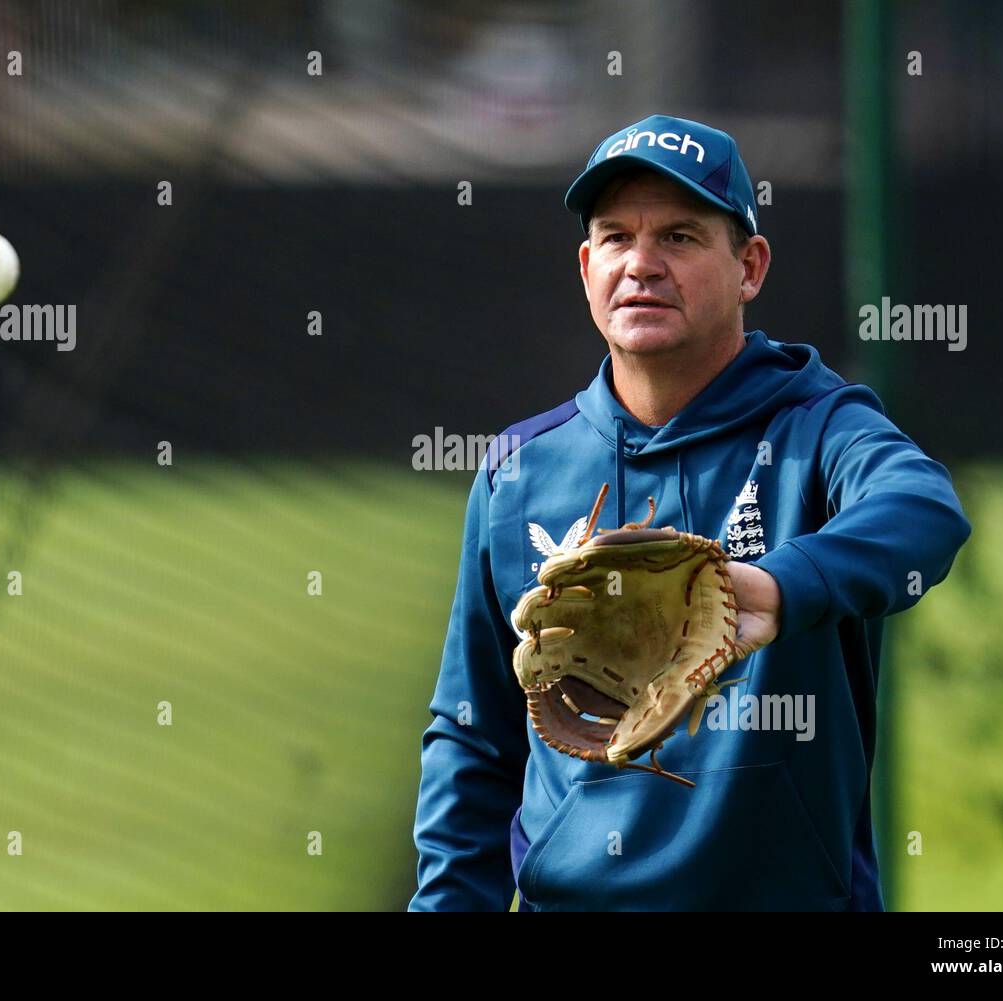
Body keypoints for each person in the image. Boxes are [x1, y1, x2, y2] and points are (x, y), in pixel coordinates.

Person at [408, 114, 971, 911]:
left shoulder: (817, 427)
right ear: (586, 265)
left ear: (749, 265)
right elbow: (473, 739)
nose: (641, 264)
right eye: (615, 237)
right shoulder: (519, 468)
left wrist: (772, 589)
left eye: (678, 236)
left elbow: (924, 512)